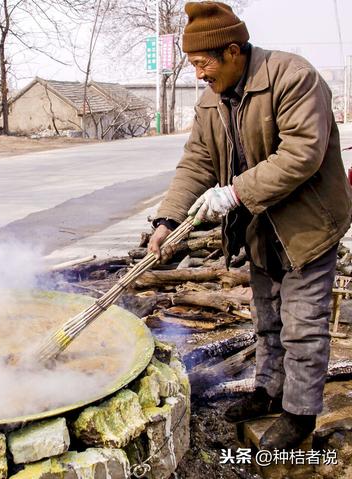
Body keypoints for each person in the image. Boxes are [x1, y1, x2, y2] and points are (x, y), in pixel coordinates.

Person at [147, 1, 352, 450]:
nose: (199, 74)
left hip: (308, 225)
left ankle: (300, 415)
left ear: (234, 52)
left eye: (203, 64)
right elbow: (197, 162)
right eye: (193, 64)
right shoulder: (211, 101)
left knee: (303, 322)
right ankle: (269, 390)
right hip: (260, 227)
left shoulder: (292, 76)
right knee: (267, 318)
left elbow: (303, 152)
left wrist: (235, 193)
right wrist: (168, 219)